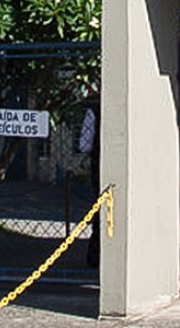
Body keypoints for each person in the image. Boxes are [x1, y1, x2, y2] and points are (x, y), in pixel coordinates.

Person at [76, 99, 101, 267]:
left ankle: (95, 255)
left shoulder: (94, 111)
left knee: (100, 211)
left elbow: (84, 145)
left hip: (99, 166)